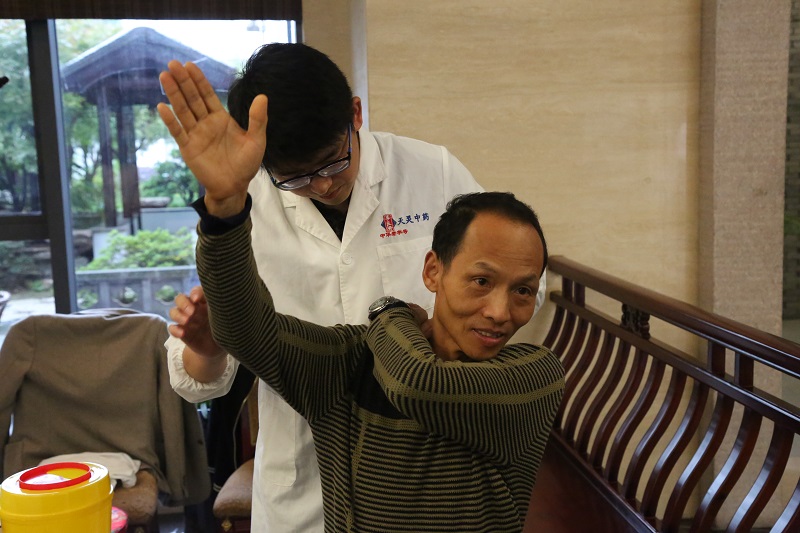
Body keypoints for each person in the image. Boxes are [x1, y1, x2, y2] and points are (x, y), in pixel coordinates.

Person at [160, 43, 537, 532]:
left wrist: (420, 340)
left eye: (331, 163)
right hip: (301, 475)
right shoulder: (240, 202)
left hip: (425, 465)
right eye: (294, 178)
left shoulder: (433, 172)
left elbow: (509, 283)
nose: (320, 186)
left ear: (355, 114)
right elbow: (207, 371)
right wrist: (209, 346)